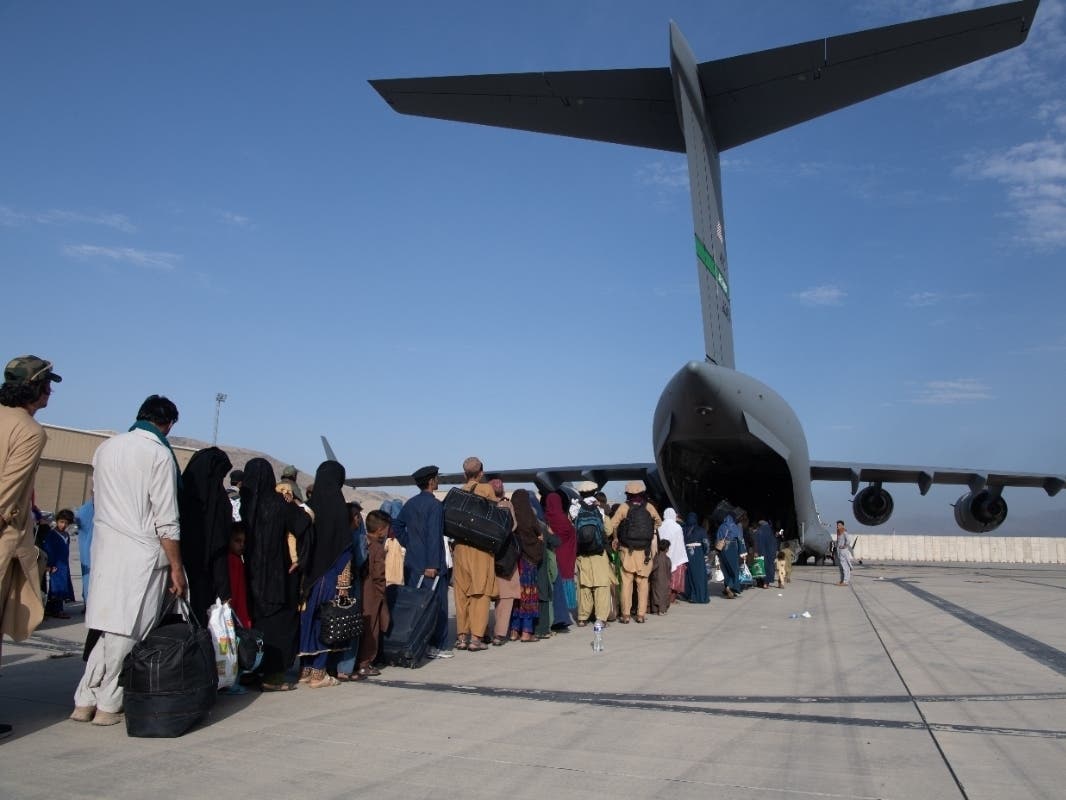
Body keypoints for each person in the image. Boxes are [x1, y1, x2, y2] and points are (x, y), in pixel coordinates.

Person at [72, 394, 184, 726]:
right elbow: (166, 519)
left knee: (106, 630)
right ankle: (108, 703)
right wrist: (176, 566)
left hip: (107, 550)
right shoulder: (159, 455)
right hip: (143, 555)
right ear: (168, 424)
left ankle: (84, 698)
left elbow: (97, 498)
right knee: (130, 633)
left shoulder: (105, 448)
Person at [1, 355, 59, 739]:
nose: (50, 391)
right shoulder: (28, 431)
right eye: (46, 384)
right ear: (35, 388)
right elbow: (6, 495)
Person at [240, 457, 312, 691]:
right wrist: (300, 559)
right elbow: (303, 524)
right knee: (280, 627)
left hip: (252, 577)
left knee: (256, 625)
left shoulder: (246, 505)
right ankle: (273, 677)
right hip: (279, 578)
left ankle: (251, 670)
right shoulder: (279, 503)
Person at [298, 460, 353, 688]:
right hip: (329, 576)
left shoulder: (309, 507)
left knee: (307, 620)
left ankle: (305, 669)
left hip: (307, 577)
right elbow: (345, 549)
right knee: (327, 622)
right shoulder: (340, 509)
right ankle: (319, 672)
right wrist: (344, 582)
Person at [395, 465, 453, 659]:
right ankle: (437, 645)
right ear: (430, 481)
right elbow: (434, 536)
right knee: (437, 605)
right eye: (436, 479)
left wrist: (410, 544)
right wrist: (433, 564)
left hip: (413, 564)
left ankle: (416, 641)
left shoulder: (410, 503)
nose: (438, 482)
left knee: (415, 605)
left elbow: (397, 525)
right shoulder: (435, 505)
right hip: (430, 567)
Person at [178, 446, 234, 625]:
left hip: (174, 575)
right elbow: (219, 550)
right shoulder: (218, 503)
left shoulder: (178, 494)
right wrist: (225, 594)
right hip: (203, 581)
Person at [452, 456, 498, 652]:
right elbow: (494, 517)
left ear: (464, 474)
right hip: (480, 549)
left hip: (461, 548)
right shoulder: (486, 490)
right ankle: (476, 639)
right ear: (481, 473)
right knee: (481, 593)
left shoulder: (460, 491)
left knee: (461, 593)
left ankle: (461, 637)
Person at [608, 481, 661, 624]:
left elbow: (612, 524)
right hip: (645, 551)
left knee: (626, 583)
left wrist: (615, 537)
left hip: (627, 551)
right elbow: (658, 522)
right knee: (643, 583)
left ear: (628, 494)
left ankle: (625, 615)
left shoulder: (624, 507)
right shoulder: (649, 507)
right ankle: (641, 615)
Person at [355, 510, 392, 680]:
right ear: (381, 530)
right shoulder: (377, 548)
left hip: (359, 590)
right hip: (372, 593)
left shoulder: (360, 541)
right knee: (372, 628)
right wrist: (381, 592)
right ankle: (365, 663)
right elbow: (379, 574)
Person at [572, 482, 611, 627]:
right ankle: (601, 618)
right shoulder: (599, 509)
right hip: (599, 553)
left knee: (584, 587)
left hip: (582, 554)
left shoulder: (575, 509)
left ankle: (582, 617)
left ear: (580, 493)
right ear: (595, 492)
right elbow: (608, 530)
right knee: (601, 587)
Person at [509, 489, 542, 642]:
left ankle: (514, 631)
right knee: (528, 596)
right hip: (529, 563)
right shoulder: (530, 516)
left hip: (515, 563)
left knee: (516, 597)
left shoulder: (511, 517)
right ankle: (527, 632)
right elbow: (540, 535)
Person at [489, 479, 519, 647]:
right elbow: (513, 525)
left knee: (481, 597)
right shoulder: (506, 506)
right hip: (503, 557)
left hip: (485, 556)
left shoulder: (481, 505)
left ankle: (480, 633)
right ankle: (499, 634)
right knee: (505, 597)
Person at [544, 491, 577, 624]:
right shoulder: (564, 519)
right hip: (566, 554)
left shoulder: (545, 518)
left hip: (552, 554)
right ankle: (568, 605)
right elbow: (573, 535)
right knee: (566, 579)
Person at [42, 509, 76, 618]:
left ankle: (51, 609)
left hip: (64, 566)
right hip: (55, 565)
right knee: (57, 588)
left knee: (62, 586)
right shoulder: (51, 535)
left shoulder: (66, 535)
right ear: (57, 521)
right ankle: (57, 610)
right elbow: (48, 550)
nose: (63, 525)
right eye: (61, 522)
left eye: (66, 523)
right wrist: (49, 566)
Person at [712, 501, 745, 599]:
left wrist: (718, 551)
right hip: (732, 549)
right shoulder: (735, 527)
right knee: (734, 570)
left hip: (722, 550)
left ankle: (727, 587)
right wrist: (742, 552)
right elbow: (739, 539)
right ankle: (730, 587)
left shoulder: (722, 526)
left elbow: (717, 538)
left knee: (726, 569)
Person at [660, 508, 689, 604]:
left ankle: (663, 598)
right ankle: (671, 599)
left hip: (662, 555)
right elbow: (680, 544)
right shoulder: (677, 527)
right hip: (676, 556)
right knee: (674, 579)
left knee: (663, 577)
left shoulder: (660, 525)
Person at [682, 512, 710, 604]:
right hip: (698, 554)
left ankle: (690, 595)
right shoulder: (701, 530)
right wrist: (705, 553)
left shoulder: (683, 530)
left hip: (687, 554)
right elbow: (706, 543)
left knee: (689, 575)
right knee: (700, 576)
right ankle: (700, 597)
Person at [227, 522, 252, 629]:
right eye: (237, 541)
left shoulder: (235, 560)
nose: (242, 545)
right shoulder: (234, 561)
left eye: (243, 542)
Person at [74, 497, 94, 608]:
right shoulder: (89, 508)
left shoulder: (85, 509)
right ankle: (89, 603)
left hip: (87, 548)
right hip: (92, 548)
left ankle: (88, 602)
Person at [754, 518, 779, 590]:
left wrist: (756, 551)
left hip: (761, 552)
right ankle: (766, 583)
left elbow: (756, 543)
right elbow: (775, 543)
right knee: (769, 567)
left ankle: (761, 582)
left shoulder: (758, 532)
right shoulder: (771, 532)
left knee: (761, 566)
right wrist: (776, 551)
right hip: (770, 553)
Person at [648, 539, 672, 614]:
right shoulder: (667, 559)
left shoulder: (657, 557)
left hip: (657, 580)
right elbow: (669, 569)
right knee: (664, 595)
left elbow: (652, 568)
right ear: (667, 549)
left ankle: (655, 610)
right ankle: (662, 610)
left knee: (656, 595)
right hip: (666, 581)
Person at [836, 520, 854, 586]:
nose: (838, 526)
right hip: (839, 551)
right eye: (837, 525)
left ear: (843, 526)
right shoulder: (839, 533)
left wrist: (844, 546)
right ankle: (842, 580)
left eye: (839, 525)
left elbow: (848, 541)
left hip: (843, 551)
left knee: (845, 567)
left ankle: (846, 581)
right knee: (841, 567)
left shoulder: (844, 532)